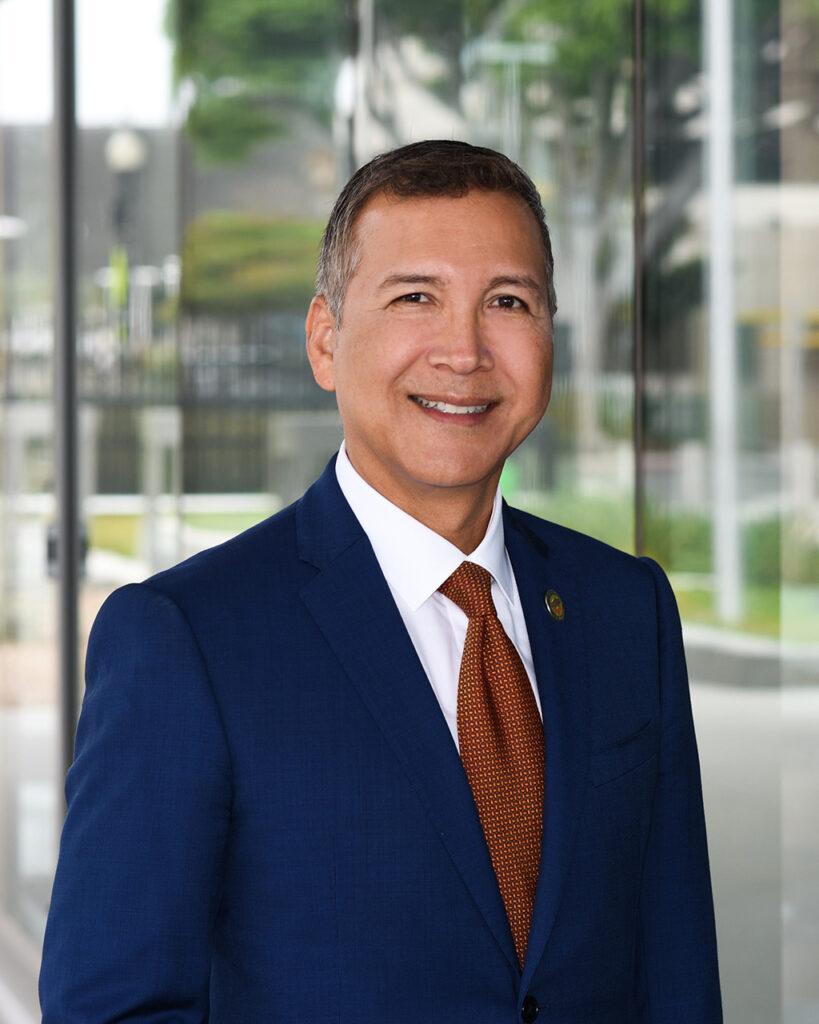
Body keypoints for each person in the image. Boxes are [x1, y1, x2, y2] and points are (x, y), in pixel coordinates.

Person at [40, 140, 722, 1023]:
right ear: (326, 341)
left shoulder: (626, 608)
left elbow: (676, 977)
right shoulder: (183, 638)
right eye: (415, 298)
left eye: (506, 302)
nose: (464, 350)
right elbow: (114, 1007)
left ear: (550, 334)